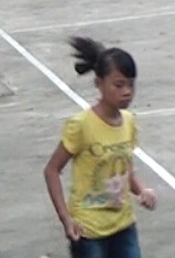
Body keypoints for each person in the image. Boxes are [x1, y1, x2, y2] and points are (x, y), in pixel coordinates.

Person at [42, 37, 156, 258]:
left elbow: (124, 166)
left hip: (123, 225)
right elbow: (52, 170)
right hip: (89, 231)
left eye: (131, 84)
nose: (127, 92)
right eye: (119, 85)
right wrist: (66, 218)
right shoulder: (81, 125)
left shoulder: (129, 122)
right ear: (99, 84)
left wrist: (141, 190)